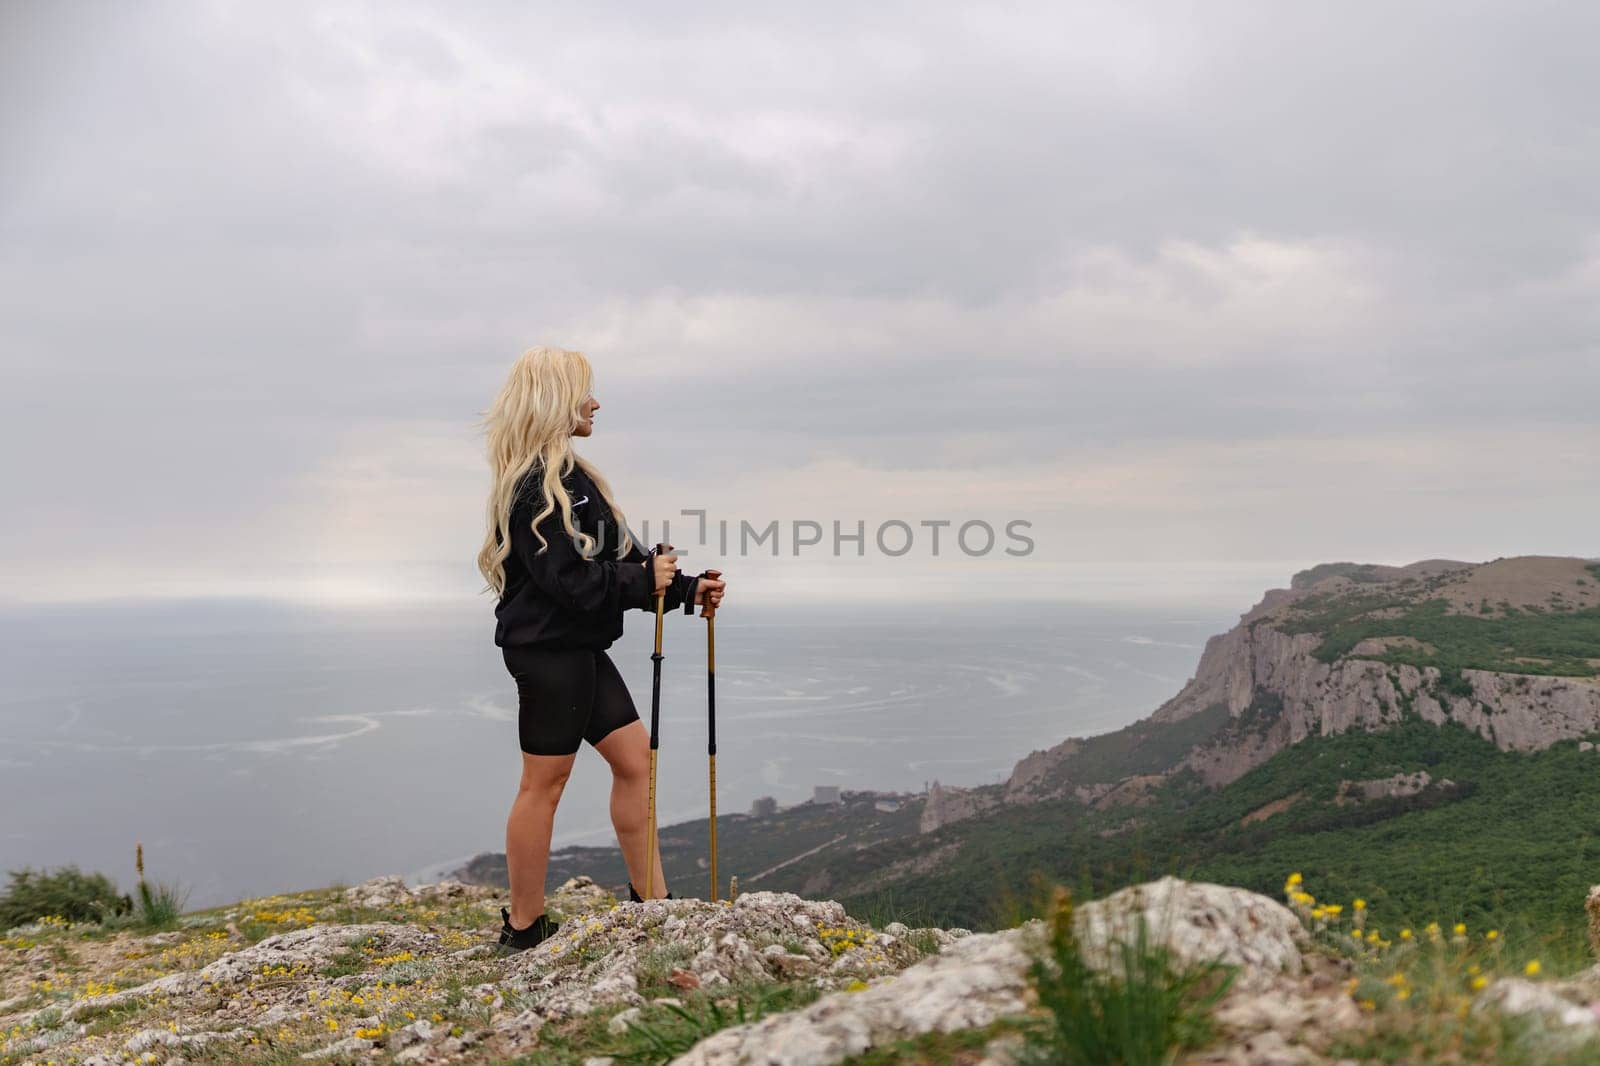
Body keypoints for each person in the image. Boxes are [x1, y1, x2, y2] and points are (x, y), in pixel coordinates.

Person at [475, 345, 727, 955]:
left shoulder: (572, 478)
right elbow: (571, 583)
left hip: (577, 647)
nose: (595, 402)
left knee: (636, 763)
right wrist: (649, 583)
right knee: (545, 784)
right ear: (556, 399)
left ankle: (654, 906)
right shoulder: (535, 487)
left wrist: (688, 589)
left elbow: (623, 562)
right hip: (549, 653)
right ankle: (524, 929)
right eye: (585, 391)